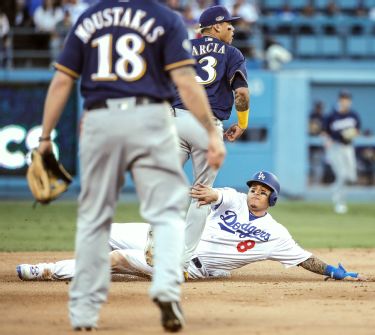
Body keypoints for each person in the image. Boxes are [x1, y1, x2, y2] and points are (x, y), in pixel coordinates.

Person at [36, 0, 226, 332]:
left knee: (95, 216)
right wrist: (211, 132)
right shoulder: (166, 18)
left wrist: (44, 138)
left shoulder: (90, 17)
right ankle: (167, 289)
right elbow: (185, 80)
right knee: (166, 211)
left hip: (100, 118)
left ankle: (84, 312)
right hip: (150, 117)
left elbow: (63, 81)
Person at [17, 171, 365, 283]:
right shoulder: (232, 198)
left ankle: (46, 271)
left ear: (272, 200)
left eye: (263, 193)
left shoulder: (275, 234)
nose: (255, 194)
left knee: (119, 259)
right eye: (254, 189)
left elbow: (304, 258)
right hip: (172, 238)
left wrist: (333, 271)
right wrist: (205, 191)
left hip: (189, 266)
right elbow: (216, 193)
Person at [172, 5, 250, 272]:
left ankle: (156, 241)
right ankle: (181, 262)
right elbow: (242, 95)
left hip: (175, 119)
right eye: (229, 24)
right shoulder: (232, 53)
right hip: (207, 125)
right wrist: (242, 123)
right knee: (202, 194)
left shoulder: (181, 47)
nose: (233, 28)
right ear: (216, 27)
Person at [322, 90, 361, 214]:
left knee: (351, 177)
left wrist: (351, 133)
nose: (345, 101)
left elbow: (357, 130)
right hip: (336, 148)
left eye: (347, 98)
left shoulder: (353, 115)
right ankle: (340, 203)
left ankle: (334, 188)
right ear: (340, 100)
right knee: (342, 175)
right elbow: (324, 131)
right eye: (343, 98)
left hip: (348, 148)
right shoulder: (332, 115)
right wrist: (327, 140)